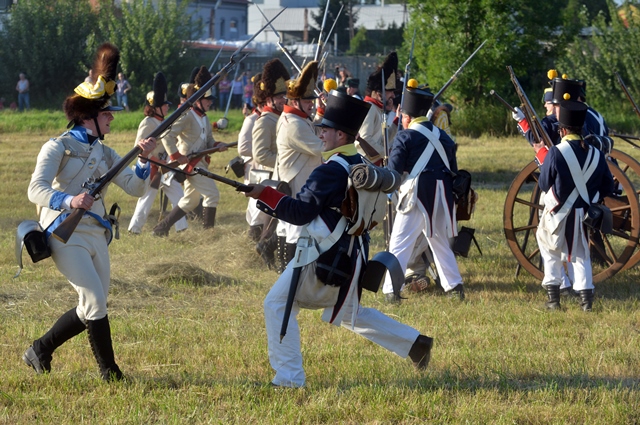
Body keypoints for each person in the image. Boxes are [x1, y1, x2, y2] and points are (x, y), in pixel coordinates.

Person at [244, 89, 434, 388]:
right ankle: (415, 344)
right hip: (350, 255)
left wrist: (264, 194)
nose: (320, 133)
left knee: (277, 304)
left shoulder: (329, 171)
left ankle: (289, 378)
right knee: (349, 314)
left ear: (341, 135)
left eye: (326, 129)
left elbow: (300, 213)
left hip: (324, 254)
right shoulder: (358, 161)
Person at [22, 43, 156, 381]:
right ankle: (110, 372)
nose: (112, 117)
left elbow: (136, 188)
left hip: (97, 233)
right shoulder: (57, 147)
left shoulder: (107, 153)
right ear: (87, 116)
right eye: (107, 113)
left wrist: (143, 160)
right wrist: (70, 201)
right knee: (95, 301)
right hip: (64, 232)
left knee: (91, 307)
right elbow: (35, 189)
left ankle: (40, 349)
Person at [382, 81, 465, 302]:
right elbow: (453, 169)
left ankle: (391, 290)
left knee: (399, 243)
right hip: (442, 196)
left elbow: (394, 173)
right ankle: (455, 287)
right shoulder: (444, 137)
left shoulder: (404, 136)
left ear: (407, 117)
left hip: (416, 196)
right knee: (439, 242)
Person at [536, 100, 614, 311]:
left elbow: (544, 184)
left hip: (557, 213)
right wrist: (589, 198)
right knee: (581, 255)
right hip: (584, 213)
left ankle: (554, 301)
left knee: (549, 249)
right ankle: (586, 303)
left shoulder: (555, 152)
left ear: (562, 130)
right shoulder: (597, 153)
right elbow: (607, 186)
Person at [152, 66, 228, 236]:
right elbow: (167, 135)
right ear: (198, 99)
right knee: (212, 195)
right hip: (190, 165)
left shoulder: (205, 118)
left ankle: (161, 229)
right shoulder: (186, 115)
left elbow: (209, 140)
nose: (210, 102)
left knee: (190, 201)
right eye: (207, 99)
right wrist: (176, 156)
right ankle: (208, 234)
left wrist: (217, 145)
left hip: (200, 163)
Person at [275, 61, 324, 271]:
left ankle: (285, 268)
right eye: (306, 100)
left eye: (312, 100)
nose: (311, 104)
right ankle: (290, 271)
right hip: (297, 179)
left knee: (289, 226)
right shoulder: (294, 124)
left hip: (299, 177)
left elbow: (315, 129)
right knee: (296, 228)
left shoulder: (297, 118)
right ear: (294, 101)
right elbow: (321, 148)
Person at [128, 72, 188, 235]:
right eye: (164, 105)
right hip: (151, 168)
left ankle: (182, 228)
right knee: (146, 200)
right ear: (155, 107)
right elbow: (138, 148)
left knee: (179, 196)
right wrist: (156, 161)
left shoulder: (164, 123)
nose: (167, 107)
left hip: (165, 168)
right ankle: (134, 229)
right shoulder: (147, 123)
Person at [252, 59, 291, 270]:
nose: (284, 99)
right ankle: (265, 249)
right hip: (272, 176)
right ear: (269, 99)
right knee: (274, 220)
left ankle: (266, 248)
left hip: (283, 175)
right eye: (280, 96)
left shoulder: (282, 117)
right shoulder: (265, 121)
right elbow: (260, 154)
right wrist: (284, 161)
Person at [357, 52, 399, 164]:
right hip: (365, 165)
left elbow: (381, 141)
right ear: (379, 93)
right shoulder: (370, 108)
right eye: (390, 91)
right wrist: (386, 153)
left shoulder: (376, 109)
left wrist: (396, 121)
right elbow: (365, 138)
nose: (393, 95)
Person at [238, 73, 264, 242]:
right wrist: (262, 152)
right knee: (256, 210)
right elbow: (243, 147)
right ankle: (252, 242)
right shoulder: (251, 120)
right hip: (255, 169)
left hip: (266, 169)